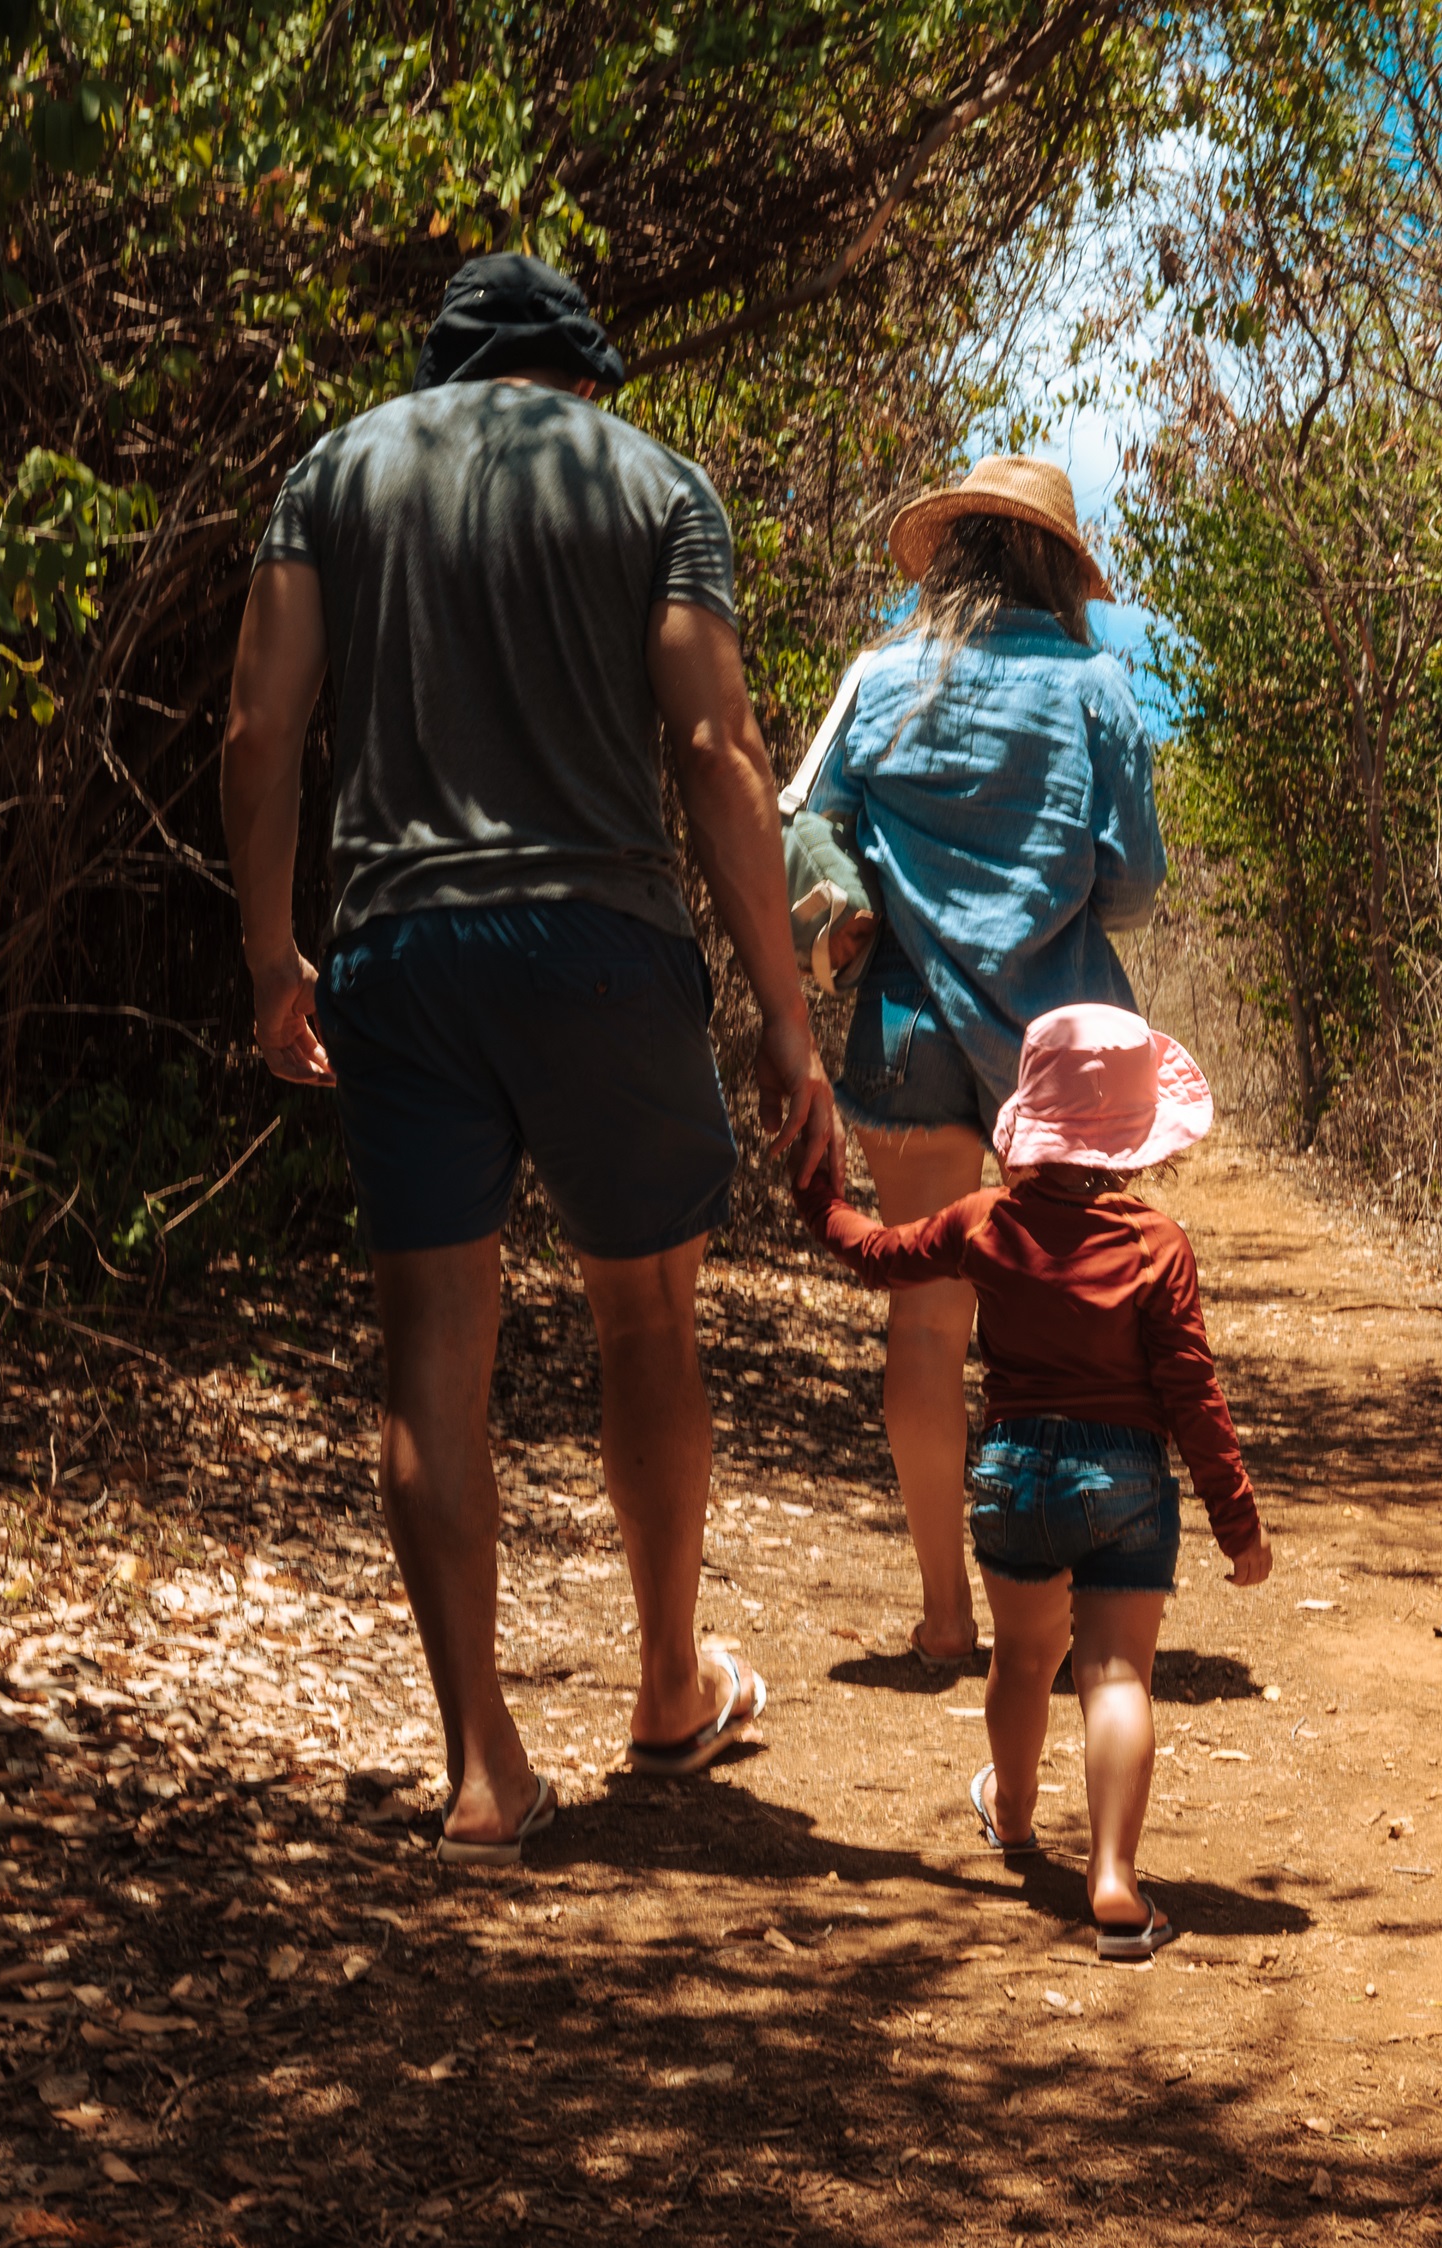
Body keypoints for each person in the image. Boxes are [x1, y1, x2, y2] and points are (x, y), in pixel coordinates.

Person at [221, 253, 837, 1867]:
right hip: (597, 940)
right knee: (645, 1307)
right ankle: (658, 1680)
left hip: (399, 948)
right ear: (577, 377)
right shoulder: (649, 479)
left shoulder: (332, 471)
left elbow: (257, 728)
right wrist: (781, 1009)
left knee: (435, 1335)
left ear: (442, 367)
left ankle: (482, 1762)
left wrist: (273, 949)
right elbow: (715, 747)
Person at [794, 1003, 1269, 1960]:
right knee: (1116, 1673)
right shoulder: (1156, 1246)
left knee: (1020, 1660)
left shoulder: (984, 1222)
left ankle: (1012, 1817)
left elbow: (875, 1253)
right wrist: (1237, 1521)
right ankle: (1115, 1884)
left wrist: (822, 1193)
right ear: (1136, 1140)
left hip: (1012, 1477)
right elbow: (1192, 1398)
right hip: (1125, 1482)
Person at [792, 456, 1162, 1672]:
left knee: (926, 1326)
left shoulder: (879, 675)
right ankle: (1052, 1618)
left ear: (948, 556)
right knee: (1070, 1338)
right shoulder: (1098, 687)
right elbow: (1134, 884)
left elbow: (804, 819)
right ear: (1056, 566)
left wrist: (852, 900)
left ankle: (948, 1615)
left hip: (905, 1034)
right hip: (1062, 1059)